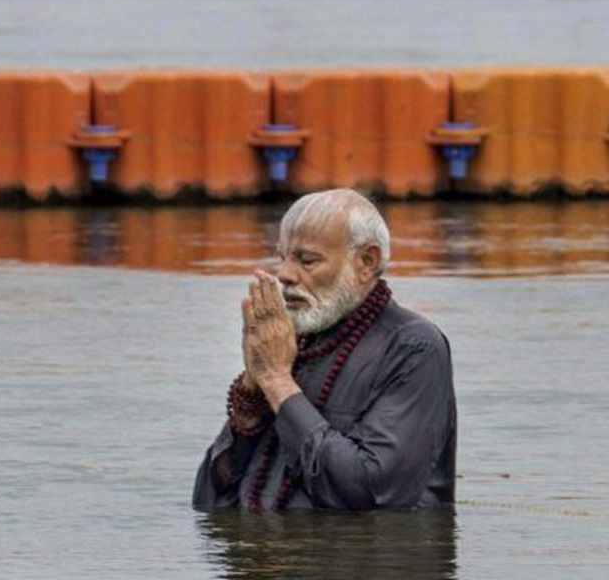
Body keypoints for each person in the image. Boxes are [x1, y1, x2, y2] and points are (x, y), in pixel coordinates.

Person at [192, 189, 456, 511]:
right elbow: (207, 501)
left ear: (365, 262)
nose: (284, 275)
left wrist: (277, 382)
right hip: (268, 555)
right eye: (283, 257)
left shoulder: (414, 347)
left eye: (307, 260)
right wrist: (253, 391)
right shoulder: (297, 343)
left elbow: (373, 493)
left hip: (361, 559)